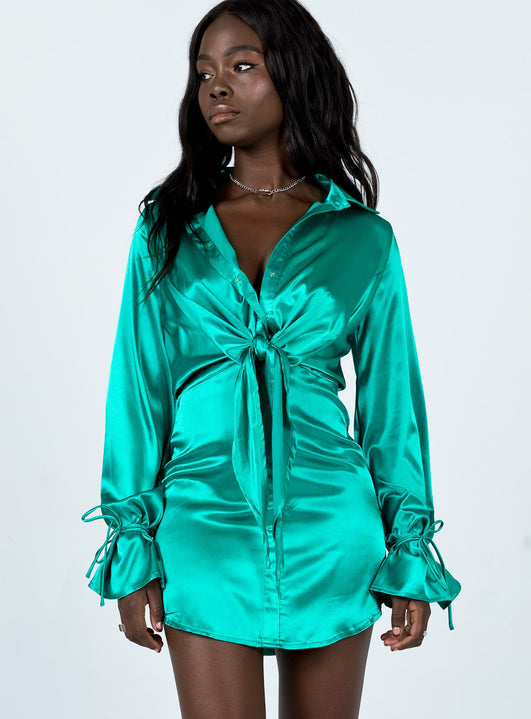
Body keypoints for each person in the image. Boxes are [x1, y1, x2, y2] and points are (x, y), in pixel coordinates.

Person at [81, 1, 462, 716]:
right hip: (201, 521)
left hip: (333, 524)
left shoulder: (363, 238)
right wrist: (131, 543)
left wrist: (408, 549)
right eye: (204, 73)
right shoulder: (167, 228)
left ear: (293, 74)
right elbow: (137, 390)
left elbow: (392, 410)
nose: (216, 87)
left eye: (242, 66)